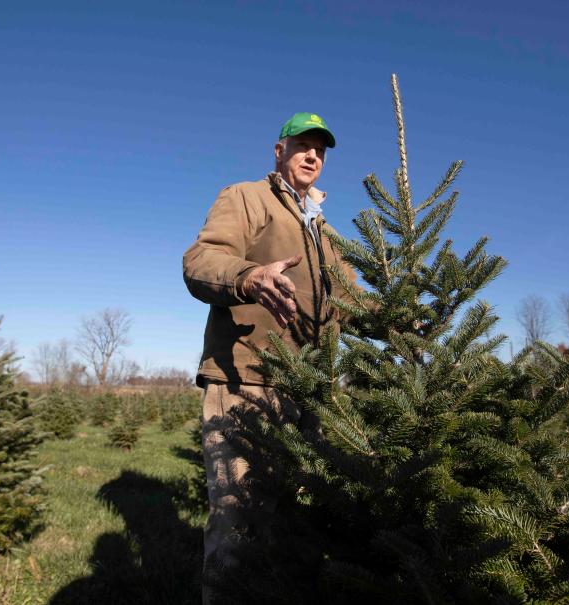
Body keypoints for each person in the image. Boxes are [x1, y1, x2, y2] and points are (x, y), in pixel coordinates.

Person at [183, 112, 357, 602]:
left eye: (320, 150)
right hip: (246, 381)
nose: (312, 156)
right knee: (239, 521)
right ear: (278, 150)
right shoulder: (246, 198)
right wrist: (250, 276)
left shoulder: (323, 231)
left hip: (309, 390)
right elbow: (201, 261)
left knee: (292, 522)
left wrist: (404, 317)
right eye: (302, 144)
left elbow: (353, 297)